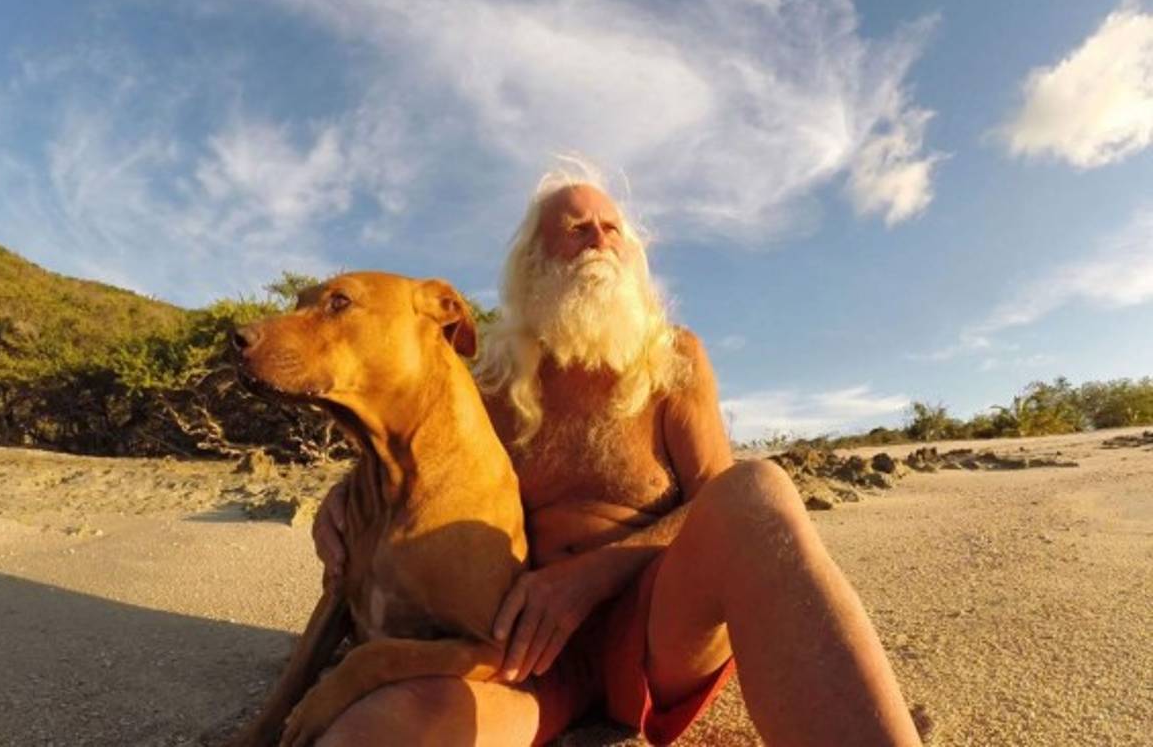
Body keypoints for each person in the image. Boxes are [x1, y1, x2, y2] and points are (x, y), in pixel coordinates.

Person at [310, 166, 922, 746]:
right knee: (375, 732)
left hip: (656, 629)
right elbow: (416, 462)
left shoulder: (676, 360)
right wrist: (343, 499)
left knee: (754, 491)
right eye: (575, 229)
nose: (599, 239)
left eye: (613, 229)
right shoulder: (493, 382)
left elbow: (717, 502)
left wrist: (591, 575)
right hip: (525, 656)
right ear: (534, 265)